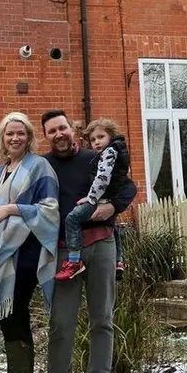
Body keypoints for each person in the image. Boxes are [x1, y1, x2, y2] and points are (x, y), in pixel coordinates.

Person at [37, 109, 137, 373]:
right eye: (51, 131)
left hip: (102, 243)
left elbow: (128, 186)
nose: (58, 134)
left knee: (102, 318)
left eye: (62, 128)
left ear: (72, 129)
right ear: (46, 136)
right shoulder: (44, 166)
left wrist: (112, 208)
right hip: (66, 251)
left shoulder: (94, 157)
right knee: (61, 321)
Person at [0, 112, 60, 373]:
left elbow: (50, 210)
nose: (15, 138)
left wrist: (13, 208)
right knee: (13, 320)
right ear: (2, 137)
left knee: (13, 316)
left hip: (24, 256)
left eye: (21, 134)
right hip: (0, 259)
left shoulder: (39, 167)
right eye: (10, 133)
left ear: (28, 138)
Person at [54, 118, 134, 282]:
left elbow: (109, 181)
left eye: (101, 137)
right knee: (115, 226)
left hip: (100, 211)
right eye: (93, 140)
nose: (97, 142)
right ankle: (119, 260)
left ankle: (74, 261)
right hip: (100, 202)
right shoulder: (109, 154)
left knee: (72, 218)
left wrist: (109, 205)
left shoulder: (107, 155)